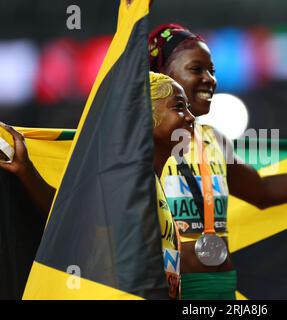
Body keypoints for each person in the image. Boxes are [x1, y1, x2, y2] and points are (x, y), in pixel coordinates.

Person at [148, 23, 287, 300]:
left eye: (212, 71)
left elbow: (263, 191)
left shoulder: (213, 140)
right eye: (197, 69)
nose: (210, 79)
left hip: (222, 287)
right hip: (174, 290)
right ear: (162, 75)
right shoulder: (141, 145)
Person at [0, 72, 195, 299]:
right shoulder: (124, 173)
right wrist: (28, 172)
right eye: (179, 107)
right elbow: (72, 224)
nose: (191, 117)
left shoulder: (147, 179)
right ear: (141, 115)